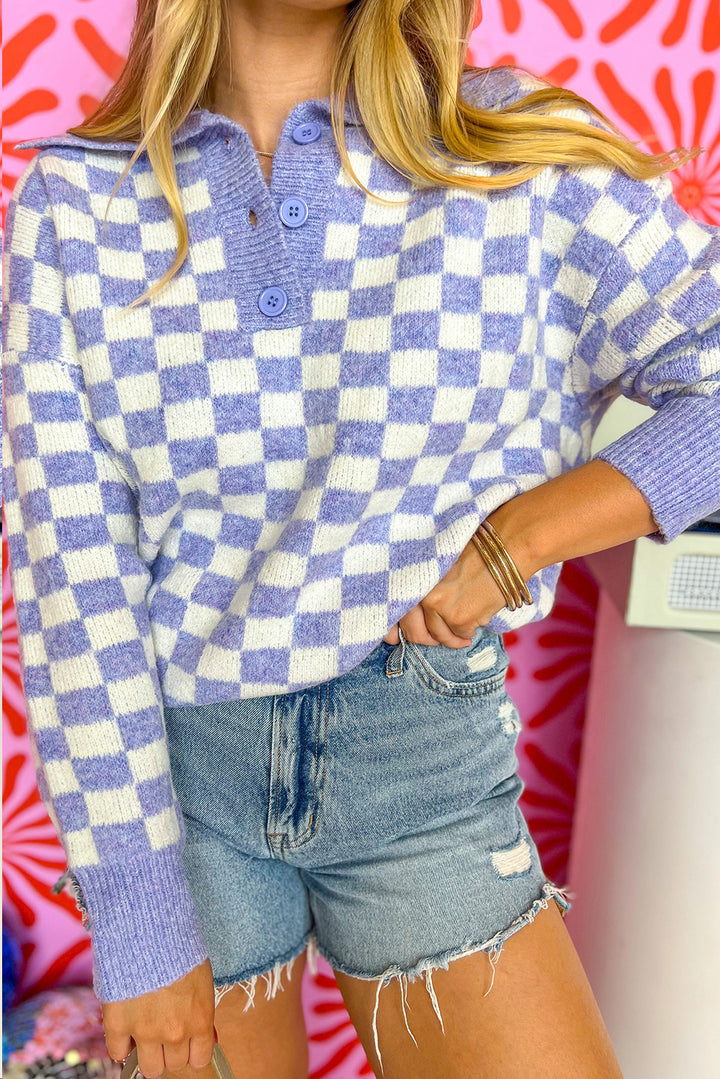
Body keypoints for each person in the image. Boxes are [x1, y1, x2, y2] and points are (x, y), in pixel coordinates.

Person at [3, 0, 720, 1076]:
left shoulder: (516, 157)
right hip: (179, 795)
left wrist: (521, 535)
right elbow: (75, 585)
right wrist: (139, 916)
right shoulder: (76, 202)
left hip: (421, 765)